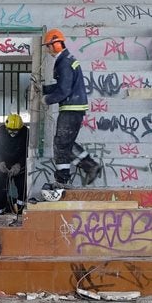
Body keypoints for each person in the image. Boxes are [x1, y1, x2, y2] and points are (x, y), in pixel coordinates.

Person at [41, 28, 101, 188]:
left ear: (56, 44)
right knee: (66, 144)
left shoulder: (64, 63)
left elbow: (64, 90)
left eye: (48, 46)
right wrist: (44, 89)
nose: (47, 50)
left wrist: (46, 99)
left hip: (71, 108)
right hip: (74, 107)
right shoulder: (67, 60)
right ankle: (89, 166)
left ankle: (62, 180)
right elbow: (63, 85)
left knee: (61, 144)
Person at [0, 113, 29, 213]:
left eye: (15, 130)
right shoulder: (1, 131)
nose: (12, 133)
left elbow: (28, 151)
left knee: (22, 187)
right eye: (10, 130)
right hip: (3, 163)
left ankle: (20, 210)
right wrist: (0, 162)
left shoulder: (26, 132)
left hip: (19, 164)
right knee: (1, 187)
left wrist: (19, 164)